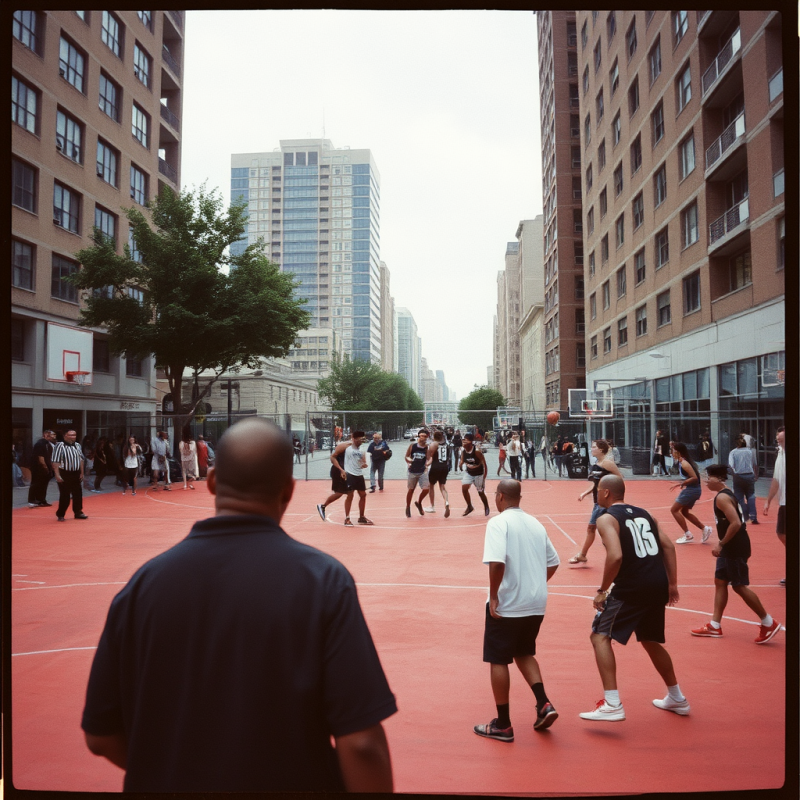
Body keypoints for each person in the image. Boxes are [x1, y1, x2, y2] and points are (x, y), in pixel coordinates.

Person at [81, 418, 396, 793]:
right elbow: (361, 743)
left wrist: (176, 772)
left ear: (212, 482)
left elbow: (101, 736)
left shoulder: (144, 584)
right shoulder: (322, 581)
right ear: (288, 490)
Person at [579, 474, 689, 721]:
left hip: (632, 587)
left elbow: (615, 556)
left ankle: (613, 703)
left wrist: (602, 590)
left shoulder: (606, 518)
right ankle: (677, 698)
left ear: (606, 493)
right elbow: (669, 546)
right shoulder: (645, 514)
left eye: (598, 491)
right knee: (650, 640)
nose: (596, 495)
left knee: (599, 636)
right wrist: (672, 584)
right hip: (656, 583)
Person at [473, 480, 560, 742]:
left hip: (509, 603)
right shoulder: (535, 522)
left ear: (499, 497)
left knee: (498, 659)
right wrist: (534, 584)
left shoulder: (499, 523)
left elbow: (497, 563)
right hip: (535, 603)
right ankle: (544, 703)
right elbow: (553, 562)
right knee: (524, 651)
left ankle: (503, 724)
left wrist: (495, 596)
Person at [690, 464, 781, 644]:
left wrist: (721, 543)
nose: (706, 482)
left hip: (734, 546)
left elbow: (736, 523)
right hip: (731, 546)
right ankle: (715, 625)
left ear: (718, 479)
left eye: (708, 478)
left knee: (739, 585)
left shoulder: (722, 498)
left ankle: (768, 622)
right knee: (720, 581)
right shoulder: (725, 493)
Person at [570, 439, 624, 566]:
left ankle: (584, 554)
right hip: (598, 502)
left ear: (601, 450)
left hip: (606, 502)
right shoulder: (597, 463)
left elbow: (619, 480)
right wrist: (585, 493)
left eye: (593, 447)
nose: (591, 449)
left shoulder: (608, 463)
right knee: (596, 529)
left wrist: (616, 498)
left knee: (597, 529)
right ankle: (584, 555)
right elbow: (596, 484)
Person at [318, 432, 373, 526]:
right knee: (346, 494)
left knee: (362, 494)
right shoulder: (345, 446)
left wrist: (363, 464)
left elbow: (360, 461)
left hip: (356, 473)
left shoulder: (361, 449)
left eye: (363, 439)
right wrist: (341, 470)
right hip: (342, 471)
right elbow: (332, 457)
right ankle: (345, 517)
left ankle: (361, 517)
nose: (362, 441)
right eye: (360, 439)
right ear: (354, 439)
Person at [669, 442, 713, 544]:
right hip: (694, 489)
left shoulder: (684, 463)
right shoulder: (682, 462)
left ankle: (688, 535)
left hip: (692, 490)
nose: (672, 453)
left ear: (679, 452)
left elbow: (695, 477)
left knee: (674, 510)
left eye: (673, 451)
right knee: (684, 512)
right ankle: (704, 529)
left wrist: (682, 483)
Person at [764, 426, 786, 585]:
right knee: (781, 534)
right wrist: (768, 500)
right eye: (778, 440)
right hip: (784, 502)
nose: (779, 442)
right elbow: (776, 480)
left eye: (782, 440)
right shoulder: (780, 453)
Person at [52, 430, 89, 521]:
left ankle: (78, 512)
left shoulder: (77, 445)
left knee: (78, 494)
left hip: (76, 472)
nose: (73, 437)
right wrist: (57, 475)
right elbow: (55, 461)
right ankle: (61, 513)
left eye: (74, 435)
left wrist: (82, 472)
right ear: (65, 436)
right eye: (71, 435)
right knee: (65, 495)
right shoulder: (59, 446)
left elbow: (81, 460)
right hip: (64, 472)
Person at [728, 435, 759, 525]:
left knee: (739, 497)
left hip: (739, 476)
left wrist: (734, 474)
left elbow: (731, 465)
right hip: (749, 475)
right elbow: (754, 464)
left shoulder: (733, 452)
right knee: (751, 495)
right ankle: (753, 516)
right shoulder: (750, 451)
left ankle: (745, 516)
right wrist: (755, 475)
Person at [460, 433, 490, 517]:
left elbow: (484, 464)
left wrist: (484, 477)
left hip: (478, 474)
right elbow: (462, 459)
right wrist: (460, 464)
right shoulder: (463, 451)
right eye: (463, 440)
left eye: (466, 440)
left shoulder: (476, 452)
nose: (464, 442)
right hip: (469, 472)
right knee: (464, 488)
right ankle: (469, 506)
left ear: (470, 442)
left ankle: (486, 506)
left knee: (480, 492)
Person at [405, 429, 432, 517]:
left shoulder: (427, 447)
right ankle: (408, 507)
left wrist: (427, 464)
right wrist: (409, 461)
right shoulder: (413, 446)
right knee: (411, 490)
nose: (422, 438)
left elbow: (430, 457)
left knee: (426, 489)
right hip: (412, 470)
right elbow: (407, 456)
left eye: (424, 436)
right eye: (421, 436)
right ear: (418, 436)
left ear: (427, 437)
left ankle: (419, 502)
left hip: (422, 471)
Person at [425, 430, 451, 518]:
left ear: (434, 437)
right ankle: (446, 501)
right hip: (444, 467)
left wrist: (426, 464)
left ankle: (432, 506)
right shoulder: (446, 445)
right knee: (442, 487)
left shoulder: (433, 444)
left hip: (435, 466)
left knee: (431, 486)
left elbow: (430, 457)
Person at [28, 429, 56, 507]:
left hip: (47, 467)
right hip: (38, 468)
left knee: (43, 484)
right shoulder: (40, 444)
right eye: (52, 435)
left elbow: (49, 456)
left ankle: (41, 500)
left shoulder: (48, 444)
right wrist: (45, 466)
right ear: (46, 435)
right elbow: (40, 457)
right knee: (36, 483)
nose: (54, 436)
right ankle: (32, 500)